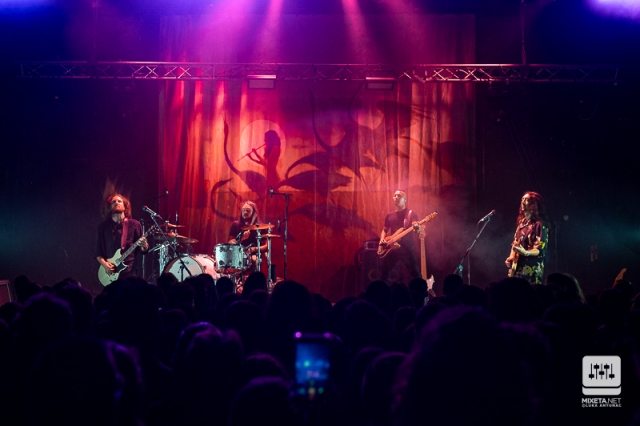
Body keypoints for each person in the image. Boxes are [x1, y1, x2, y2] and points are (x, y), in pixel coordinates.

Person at [96, 193, 148, 280]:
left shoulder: (135, 224)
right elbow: (98, 252)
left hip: (130, 272)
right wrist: (105, 265)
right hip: (110, 273)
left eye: (119, 201)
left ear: (125, 206)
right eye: (114, 202)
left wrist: (144, 246)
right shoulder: (103, 227)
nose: (117, 203)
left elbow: (142, 250)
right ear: (109, 207)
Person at [505, 191, 550, 285]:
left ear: (534, 204)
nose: (523, 201)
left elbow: (540, 250)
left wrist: (526, 252)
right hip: (517, 270)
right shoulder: (521, 224)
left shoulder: (539, 224)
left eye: (527, 200)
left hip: (531, 271)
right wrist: (511, 257)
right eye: (522, 199)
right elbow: (515, 244)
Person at [378, 190, 421, 282]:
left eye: (399, 196)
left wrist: (417, 228)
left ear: (405, 199)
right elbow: (384, 230)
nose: (396, 197)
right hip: (392, 248)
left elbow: (416, 227)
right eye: (395, 196)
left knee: (416, 276)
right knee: (384, 275)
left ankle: (420, 291)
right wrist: (382, 239)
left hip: (407, 249)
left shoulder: (411, 214)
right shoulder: (389, 215)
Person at [228, 201, 268, 271]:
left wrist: (253, 249)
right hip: (238, 254)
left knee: (254, 259)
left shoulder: (260, 227)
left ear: (253, 213)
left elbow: (266, 246)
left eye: (248, 210)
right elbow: (230, 242)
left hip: (253, 254)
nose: (245, 212)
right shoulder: (235, 225)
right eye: (243, 210)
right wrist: (241, 239)